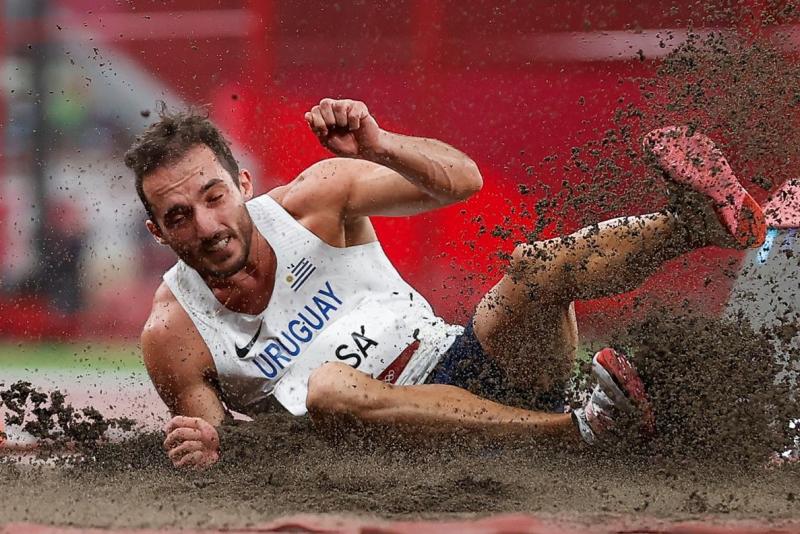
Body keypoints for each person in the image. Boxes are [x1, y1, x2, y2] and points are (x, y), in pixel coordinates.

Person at [125, 98, 765, 468]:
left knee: (534, 267)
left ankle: (697, 224)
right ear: (158, 233)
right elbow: (227, 454)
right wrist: (209, 449)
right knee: (325, 387)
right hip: (386, 446)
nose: (207, 227)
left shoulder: (316, 199)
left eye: (214, 197)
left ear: (243, 185)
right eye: (179, 216)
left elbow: (463, 180)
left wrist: (379, 147)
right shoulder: (174, 333)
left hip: (470, 357)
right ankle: (579, 432)